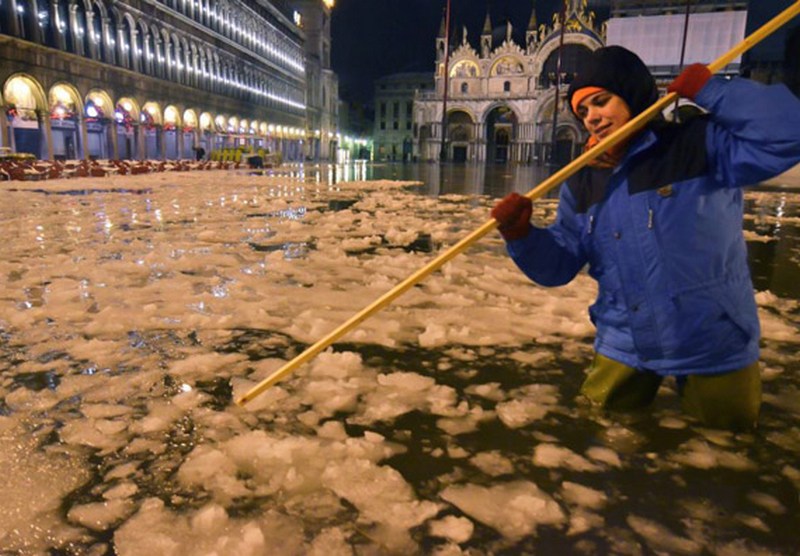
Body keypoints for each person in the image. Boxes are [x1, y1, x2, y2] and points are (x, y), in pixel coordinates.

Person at [491, 46, 800, 430]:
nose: (591, 118)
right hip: (625, 341)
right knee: (604, 440)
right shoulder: (583, 179)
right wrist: (522, 236)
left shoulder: (698, 145)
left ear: (633, 96)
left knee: (728, 452)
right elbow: (560, 264)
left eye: (601, 102)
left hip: (713, 340)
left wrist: (714, 92)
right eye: (582, 112)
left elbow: (790, 133)